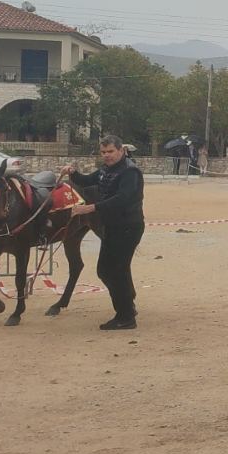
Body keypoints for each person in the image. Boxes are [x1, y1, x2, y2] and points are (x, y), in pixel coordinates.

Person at [62, 135, 146, 331]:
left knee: (116, 270)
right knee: (106, 270)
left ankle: (125, 317)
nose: (107, 155)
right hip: (112, 226)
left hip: (128, 226)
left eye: (110, 151)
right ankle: (127, 308)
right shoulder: (106, 170)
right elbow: (86, 181)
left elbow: (123, 199)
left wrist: (91, 208)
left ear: (121, 151)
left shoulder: (130, 172)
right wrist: (72, 173)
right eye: (103, 152)